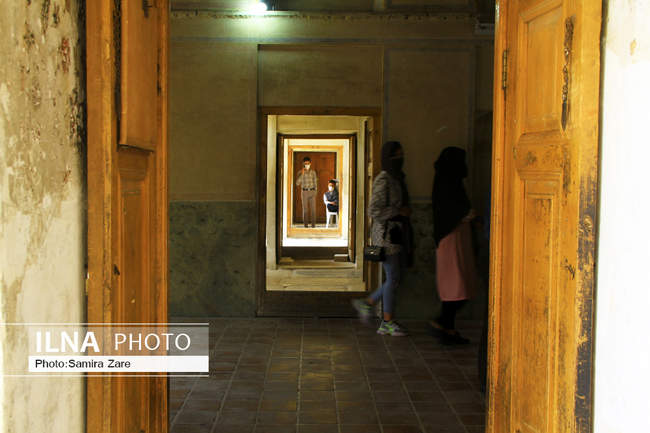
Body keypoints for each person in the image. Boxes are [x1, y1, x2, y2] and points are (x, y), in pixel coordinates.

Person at [352, 141, 411, 337]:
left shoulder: (397, 178)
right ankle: (386, 321)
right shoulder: (383, 179)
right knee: (393, 278)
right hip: (385, 237)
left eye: (401, 155)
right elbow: (373, 210)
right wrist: (398, 211)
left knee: (394, 278)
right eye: (396, 156)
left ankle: (369, 304)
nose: (400, 159)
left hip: (395, 234)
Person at [429, 146, 479, 345]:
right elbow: (451, 210)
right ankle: (443, 322)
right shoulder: (448, 183)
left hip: (455, 238)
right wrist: (467, 214)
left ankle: (448, 328)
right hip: (451, 238)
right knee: (456, 285)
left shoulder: (448, 181)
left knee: (457, 285)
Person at [295, 156, 318, 228]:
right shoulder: (300, 172)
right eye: (305, 163)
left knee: (313, 209)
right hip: (304, 192)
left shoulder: (313, 172)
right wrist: (302, 174)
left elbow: (315, 182)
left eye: (308, 163)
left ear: (310, 163)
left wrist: (315, 191)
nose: (307, 165)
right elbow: (297, 183)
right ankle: (306, 226)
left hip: (312, 191)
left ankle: (313, 226)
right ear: (303, 164)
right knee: (305, 210)